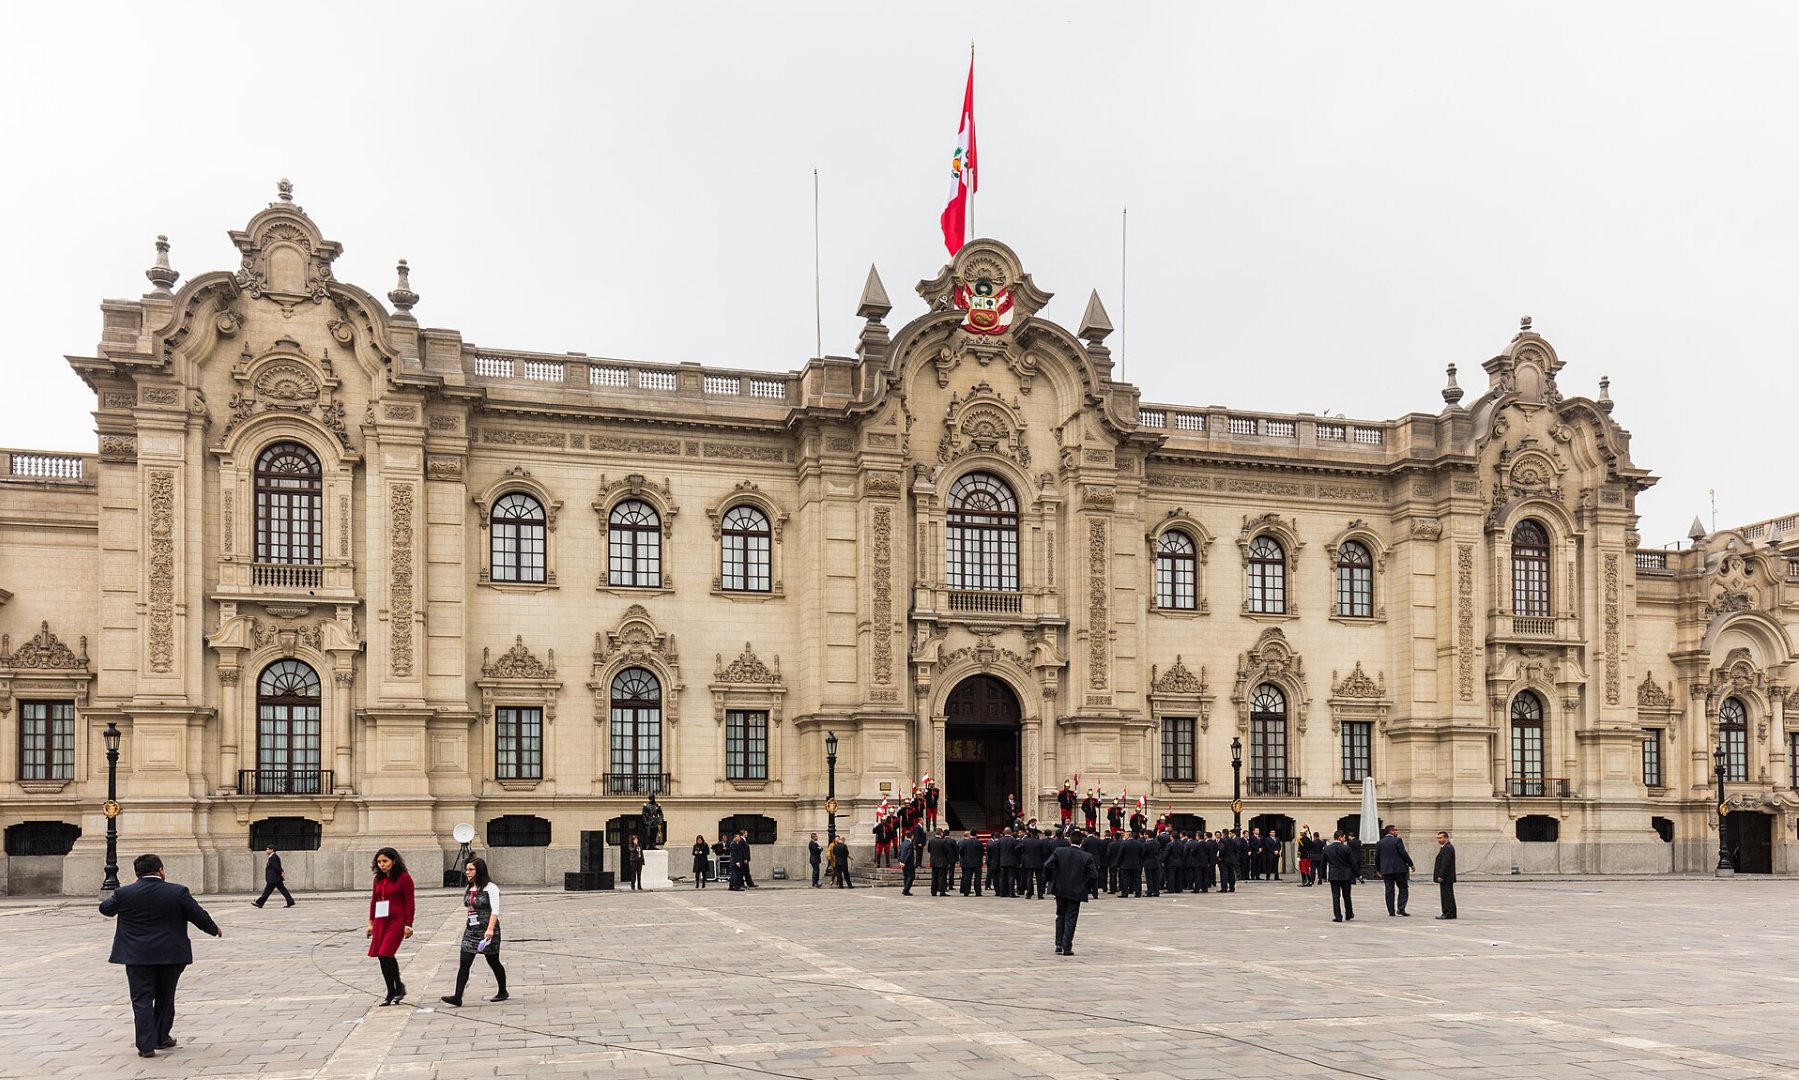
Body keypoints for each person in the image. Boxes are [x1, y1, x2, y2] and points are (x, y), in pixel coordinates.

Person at [99, 853, 222, 1058]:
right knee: (166, 996)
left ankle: (145, 1046)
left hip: (137, 956)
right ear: (161, 870)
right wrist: (213, 929)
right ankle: (161, 1037)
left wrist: (130, 891)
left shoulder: (124, 893)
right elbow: (197, 914)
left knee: (141, 1000)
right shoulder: (177, 891)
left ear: (137, 874)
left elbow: (105, 909)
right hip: (171, 955)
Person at [440, 858, 508, 1006]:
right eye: (467, 869)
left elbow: (495, 911)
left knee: (493, 961)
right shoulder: (470, 887)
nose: (467, 872)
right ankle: (457, 996)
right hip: (471, 930)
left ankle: (503, 990)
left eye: (471, 869)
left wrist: (490, 929)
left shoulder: (490, 888)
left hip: (487, 930)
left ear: (479, 870)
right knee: (464, 962)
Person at [366, 847, 415, 1005]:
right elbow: (374, 901)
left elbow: (410, 901)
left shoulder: (404, 878)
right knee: (381, 955)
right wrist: (371, 923)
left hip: (397, 920)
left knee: (386, 952)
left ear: (393, 861)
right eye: (379, 862)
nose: (382, 864)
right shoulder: (377, 879)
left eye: (385, 861)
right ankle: (390, 991)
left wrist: (408, 924)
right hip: (381, 920)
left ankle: (399, 987)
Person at [1044, 828, 1101, 955]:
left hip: (1060, 888)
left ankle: (1058, 944)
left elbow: (1047, 865)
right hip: (1076, 890)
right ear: (1082, 842)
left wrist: (1053, 878)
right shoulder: (1086, 856)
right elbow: (1094, 875)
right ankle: (1067, 946)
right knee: (1071, 918)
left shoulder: (1059, 851)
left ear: (1069, 841)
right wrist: (1085, 886)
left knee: (1060, 916)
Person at [1321, 831, 1361, 923]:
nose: (1345, 839)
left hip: (1334, 874)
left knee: (1335, 896)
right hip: (1346, 874)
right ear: (1340, 838)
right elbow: (1352, 862)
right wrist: (1358, 875)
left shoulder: (1327, 848)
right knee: (1347, 896)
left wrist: (1323, 876)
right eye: (1344, 837)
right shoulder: (1346, 848)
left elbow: (1323, 864)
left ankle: (1338, 916)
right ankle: (1349, 913)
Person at [1375, 824, 1414, 917]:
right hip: (1399, 868)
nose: (1397, 832)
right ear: (1391, 831)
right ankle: (1401, 908)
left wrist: (1379, 869)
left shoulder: (1380, 842)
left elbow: (1377, 857)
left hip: (1386, 869)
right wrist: (1410, 864)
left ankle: (1391, 911)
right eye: (1395, 830)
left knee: (1389, 889)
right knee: (1403, 887)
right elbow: (1403, 853)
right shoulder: (1397, 840)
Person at [1434, 831, 1458, 919]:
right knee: (1449, 894)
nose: (1439, 840)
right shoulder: (1447, 847)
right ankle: (1452, 912)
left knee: (1446, 895)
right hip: (1448, 876)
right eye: (1438, 838)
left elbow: (1445, 863)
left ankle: (1447, 912)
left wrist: (1441, 875)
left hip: (1446, 876)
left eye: (1441, 838)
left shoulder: (1447, 848)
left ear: (1446, 838)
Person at [957, 830, 983, 896]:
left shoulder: (965, 842)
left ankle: (966, 892)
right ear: (976, 834)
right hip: (977, 862)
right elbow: (982, 851)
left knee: (967, 878)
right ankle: (978, 892)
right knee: (977, 878)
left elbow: (960, 851)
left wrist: (964, 857)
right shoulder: (978, 842)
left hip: (967, 862)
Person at [898, 830, 918, 895]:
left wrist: (900, 862)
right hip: (908, 863)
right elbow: (909, 855)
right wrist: (905, 863)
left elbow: (900, 853)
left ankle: (906, 888)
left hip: (903, 862)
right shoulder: (910, 844)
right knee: (911, 876)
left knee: (906, 876)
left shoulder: (903, 843)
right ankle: (906, 889)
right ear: (912, 836)